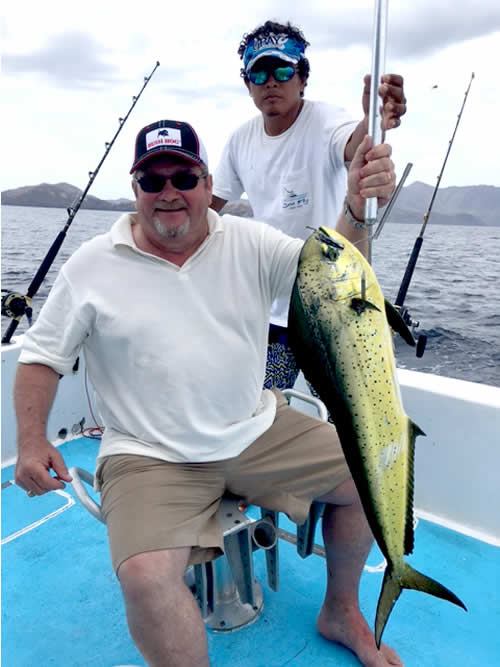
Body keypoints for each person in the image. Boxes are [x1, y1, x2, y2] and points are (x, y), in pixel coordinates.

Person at [14, 118, 401, 667]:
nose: (169, 192)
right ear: (135, 191)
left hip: (255, 428)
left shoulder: (250, 241)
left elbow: (334, 274)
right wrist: (30, 443)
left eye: (184, 177)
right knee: (146, 578)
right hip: (150, 454)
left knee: (373, 475)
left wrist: (359, 204)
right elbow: (41, 358)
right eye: (154, 181)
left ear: (207, 182)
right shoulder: (92, 265)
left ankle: (341, 610)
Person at [211, 20, 407, 392]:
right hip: (273, 311)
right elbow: (207, 208)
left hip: (336, 311)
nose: (272, 81)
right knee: (261, 410)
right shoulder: (240, 141)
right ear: (248, 84)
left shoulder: (325, 120)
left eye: (283, 70)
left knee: (344, 418)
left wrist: (375, 121)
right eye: (260, 72)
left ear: (302, 78)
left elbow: (354, 143)